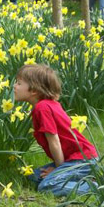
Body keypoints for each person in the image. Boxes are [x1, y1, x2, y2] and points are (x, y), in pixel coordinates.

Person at [13, 64, 98, 197]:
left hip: (82, 160)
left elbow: (55, 142)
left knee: (46, 186)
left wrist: (57, 169)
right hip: (75, 159)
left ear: (34, 90)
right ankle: (85, 178)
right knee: (34, 177)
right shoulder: (46, 105)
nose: (14, 86)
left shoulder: (42, 108)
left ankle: (97, 187)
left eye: (19, 83)